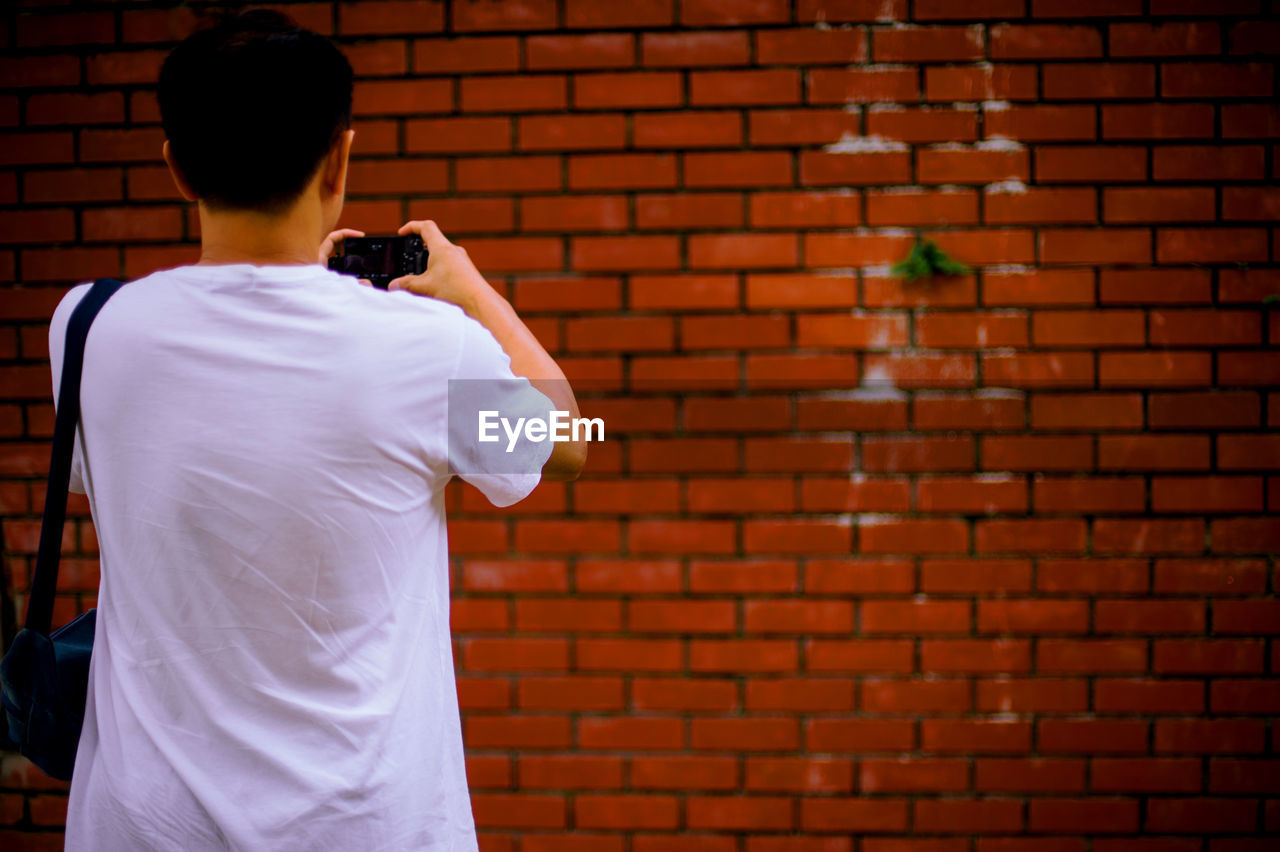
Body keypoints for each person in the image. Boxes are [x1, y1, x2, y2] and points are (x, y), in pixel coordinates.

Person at [50, 8, 585, 850]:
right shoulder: (427, 350)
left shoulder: (85, 329)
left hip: (142, 826)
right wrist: (474, 290)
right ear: (339, 159)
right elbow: (571, 438)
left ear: (177, 166)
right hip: (366, 826)